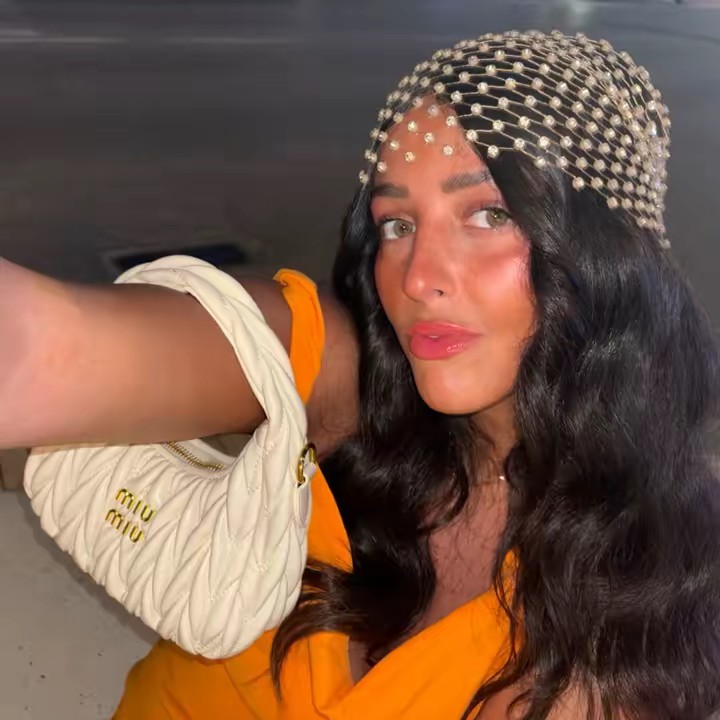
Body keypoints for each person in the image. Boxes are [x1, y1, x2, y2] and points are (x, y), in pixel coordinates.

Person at [1, 29, 719, 719]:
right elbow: (47, 351)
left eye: (487, 215)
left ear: (604, 252)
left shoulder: (645, 591)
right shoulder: (361, 386)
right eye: (397, 225)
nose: (418, 277)